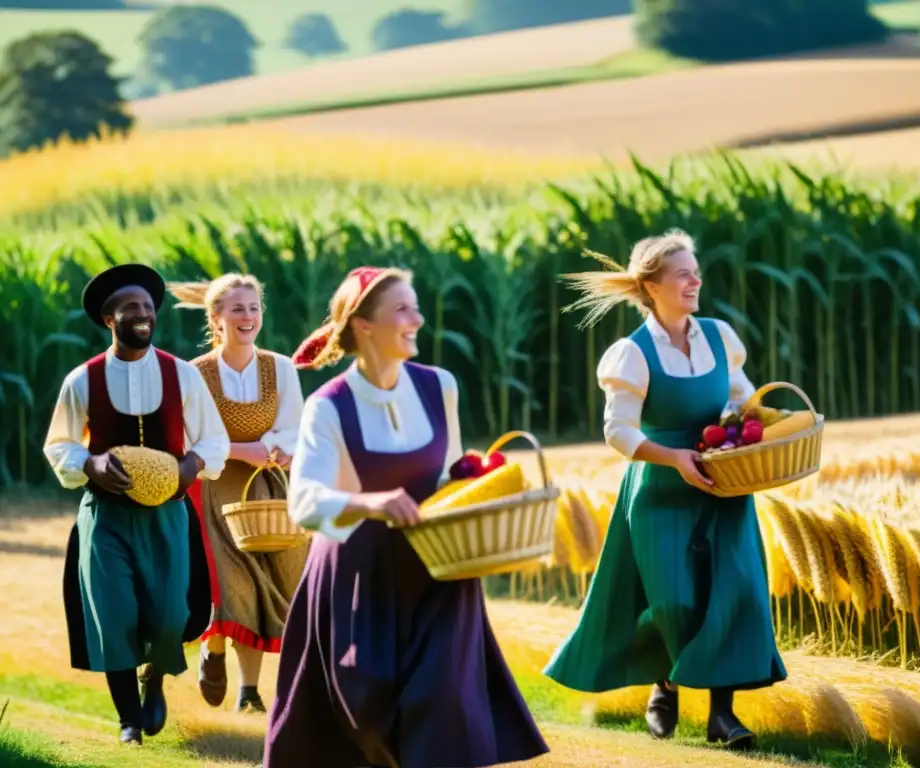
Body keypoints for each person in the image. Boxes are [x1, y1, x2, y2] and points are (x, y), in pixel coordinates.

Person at [261, 265, 549, 768]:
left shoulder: (442, 386)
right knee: (366, 715)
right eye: (403, 309)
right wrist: (370, 503)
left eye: (415, 306)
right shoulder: (327, 407)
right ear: (363, 325)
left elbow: (451, 480)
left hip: (437, 568)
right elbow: (304, 500)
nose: (417, 318)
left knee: (443, 707)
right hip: (357, 576)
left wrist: (484, 490)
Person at [543, 231, 787, 751]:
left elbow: (743, 403)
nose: (695, 280)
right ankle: (666, 682)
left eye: (696, 271)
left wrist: (754, 428)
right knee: (673, 599)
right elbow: (619, 431)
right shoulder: (631, 354)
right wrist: (674, 456)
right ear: (652, 286)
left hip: (725, 481)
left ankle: (723, 716)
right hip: (658, 488)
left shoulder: (720, 337)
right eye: (683, 273)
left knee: (731, 593)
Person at [43, 263, 230, 746]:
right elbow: (59, 444)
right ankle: (128, 718)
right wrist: (91, 464)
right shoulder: (81, 380)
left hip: (167, 516)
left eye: (148, 307)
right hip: (106, 518)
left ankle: (156, 677)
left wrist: (188, 467)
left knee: (170, 615)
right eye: (131, 308)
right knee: (114, 614)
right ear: (110, 320)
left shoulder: (182, 374)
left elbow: (215, 441)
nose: (143, 315)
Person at [167, 274, 308, 714]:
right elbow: (191, 438)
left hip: (266, 490)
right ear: (216, 319)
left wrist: (280, 448)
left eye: (253, 308)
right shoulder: (195, 374)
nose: (247, 317)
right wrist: (247, 448)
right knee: (231, 583)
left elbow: (293, 425)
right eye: (237, 309)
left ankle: (249, 692)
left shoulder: (280, 367)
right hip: (212, 489)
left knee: (272, 581)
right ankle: (216, 650)